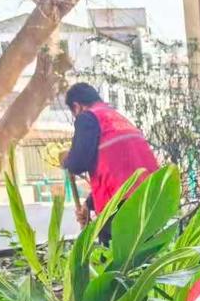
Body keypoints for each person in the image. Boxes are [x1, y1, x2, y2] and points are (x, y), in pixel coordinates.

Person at [61, 83, 158, 245]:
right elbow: (123, 171)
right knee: (145, 258)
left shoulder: (87, 117)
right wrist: (88, 204)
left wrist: (67, 160)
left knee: (114, 261)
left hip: (120, 207)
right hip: (150, 199)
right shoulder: (117, 119)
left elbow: (78, 163)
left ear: (77, 107)